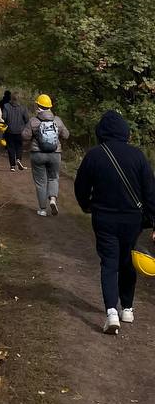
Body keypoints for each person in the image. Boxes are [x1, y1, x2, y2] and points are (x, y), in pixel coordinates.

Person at [74, 110, 155, 335]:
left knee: (109, 263)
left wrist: (86, 205)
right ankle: (127, 308)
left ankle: (111, 312)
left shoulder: (94, 155)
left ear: (101, 132)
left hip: (104, 219)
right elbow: (150, 191)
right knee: (128, 261)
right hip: (133, 220)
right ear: (125, 132)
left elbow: (80, 187)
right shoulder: (138, 156)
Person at [22, 94, 69, 216]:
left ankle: (42, 209)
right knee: (53, 178)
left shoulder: (33, 121)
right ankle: (53, 199)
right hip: (55, 154)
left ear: (38, 106)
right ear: (50, 107)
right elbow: (66, 135)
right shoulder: (57, 120)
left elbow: (25, 136)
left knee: (40, 182)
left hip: (38, 154)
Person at [3, 92, 29, 172]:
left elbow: (4, 118)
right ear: (19, 98)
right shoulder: (23, 107)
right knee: (19, 146)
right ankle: (18, 159)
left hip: (9, 130)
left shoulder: (6, 106)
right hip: (20, 131)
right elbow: (27, 119)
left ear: (11, 98)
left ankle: (12, 166)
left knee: (11, 148)